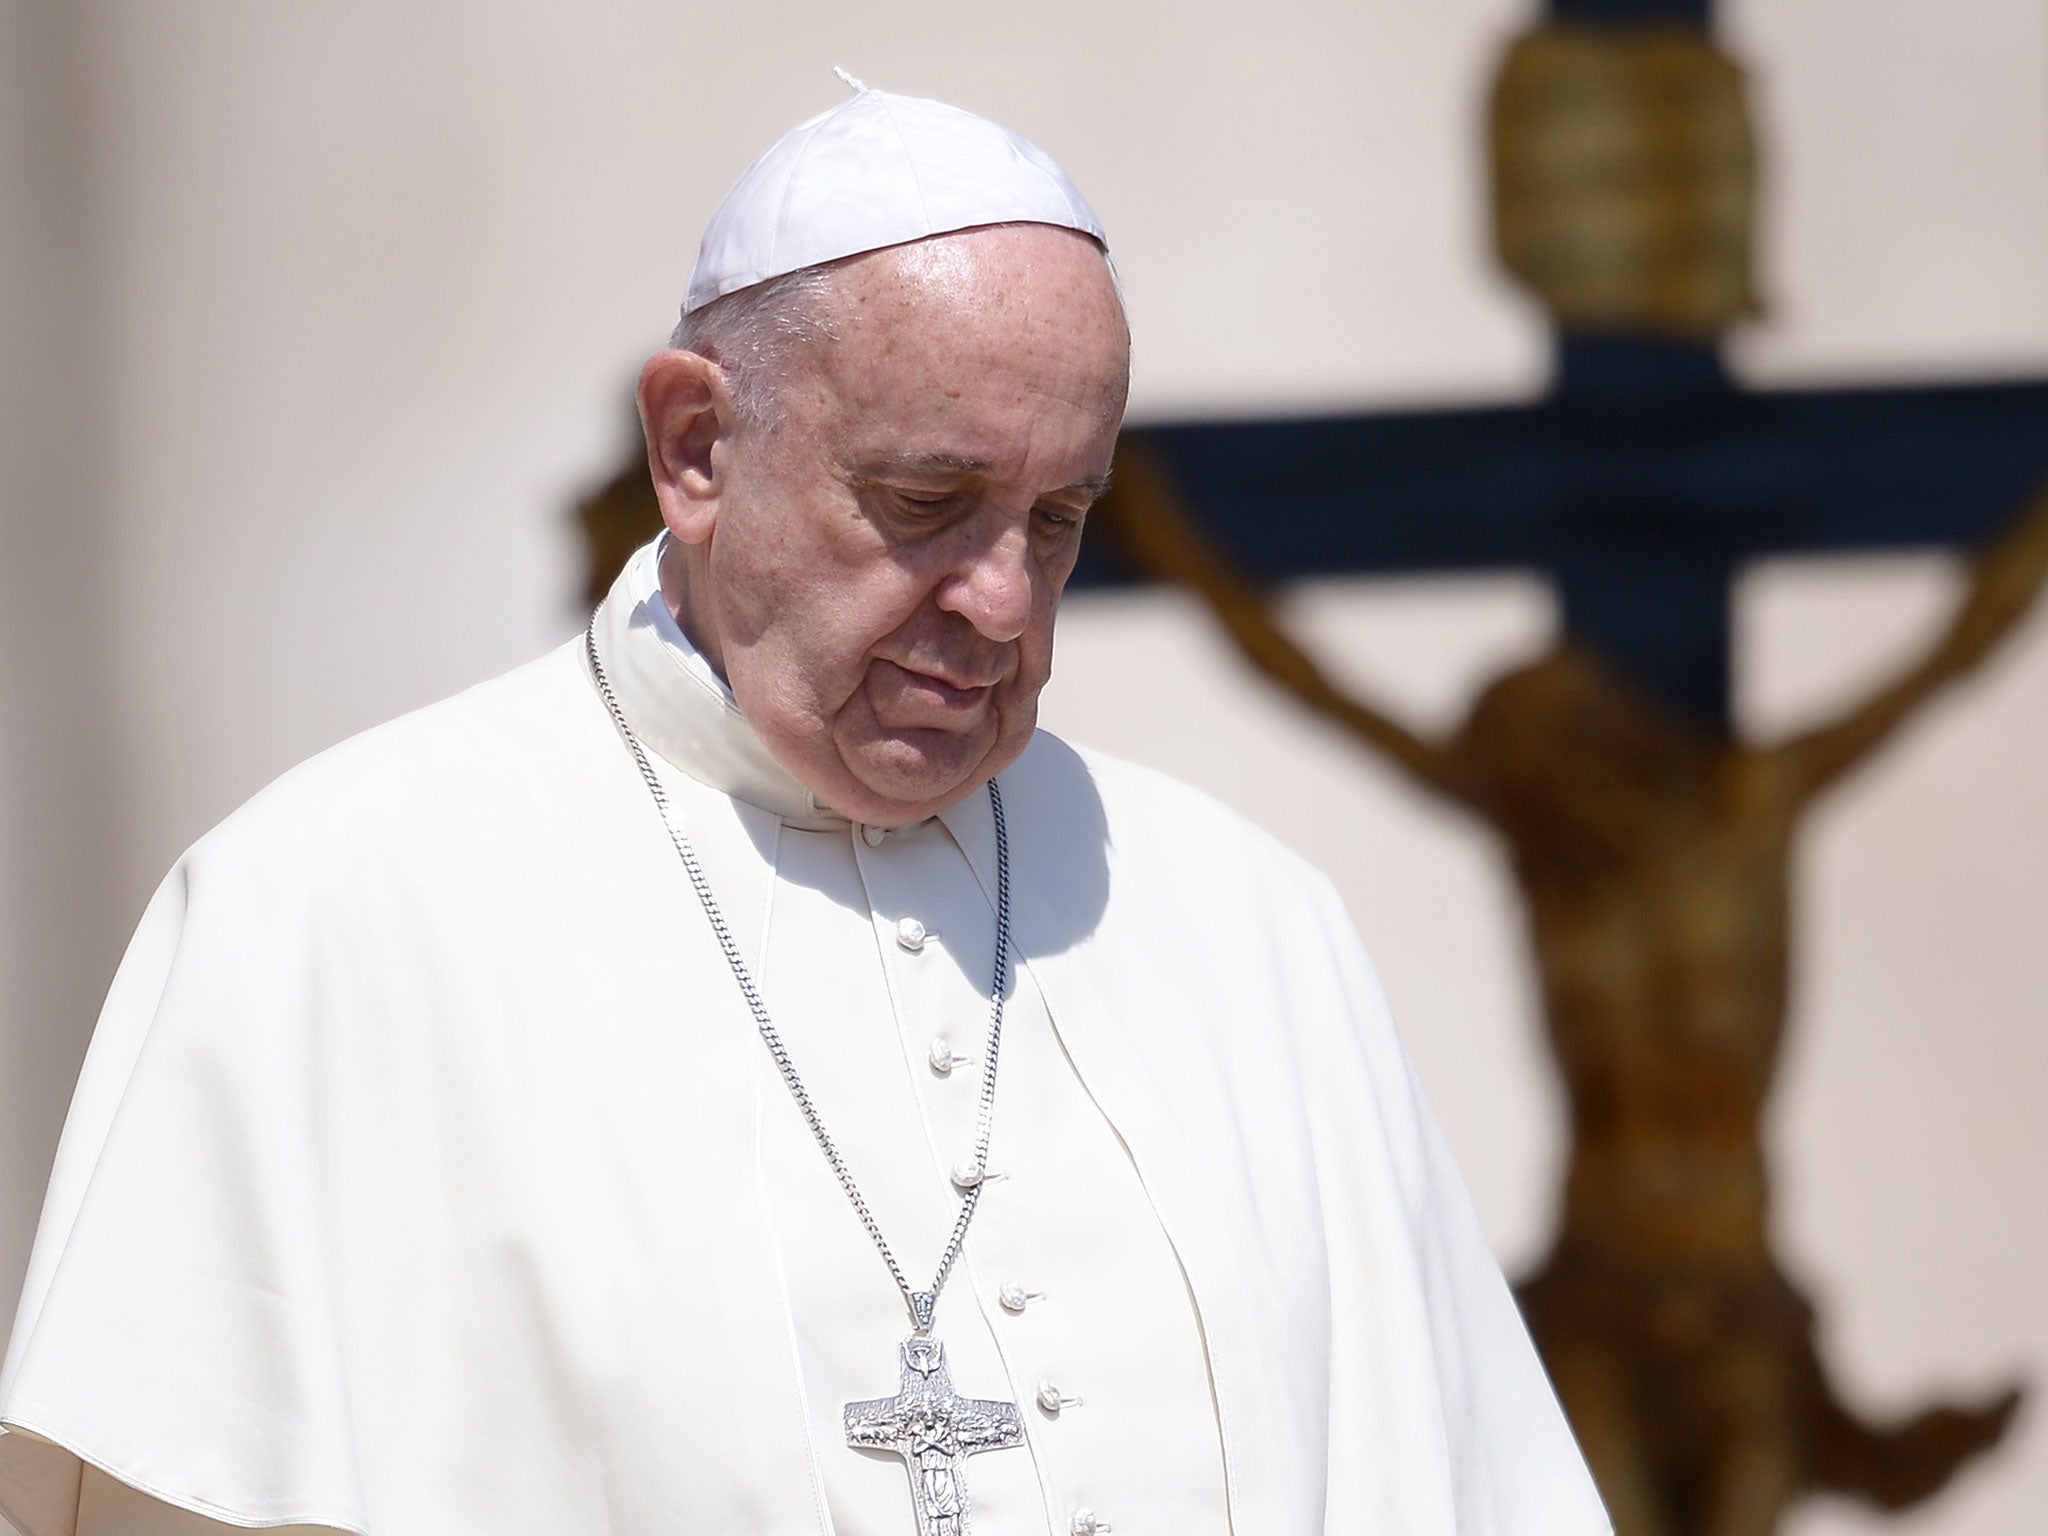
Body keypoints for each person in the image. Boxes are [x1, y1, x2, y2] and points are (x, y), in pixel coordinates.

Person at [0, 80, 1609, 1536]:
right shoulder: (325, 918)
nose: (1004, 605)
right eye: (926, 503)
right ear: (695, 446)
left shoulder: (1250, 927)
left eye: (1059, 521)